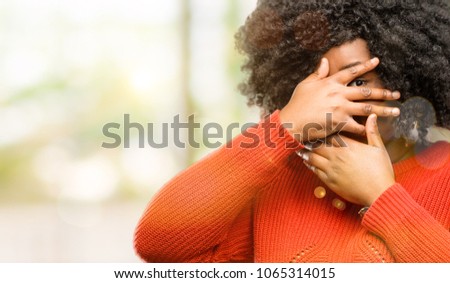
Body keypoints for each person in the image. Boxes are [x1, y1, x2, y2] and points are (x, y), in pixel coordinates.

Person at [134, 0, 450, 262]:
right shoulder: (279, 181)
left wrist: (382, 196)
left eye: (357, 81)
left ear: (406, 77)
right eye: (316, 87)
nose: (335, 103)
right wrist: (282, 128)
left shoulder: (444, 175)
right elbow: (157, 244)